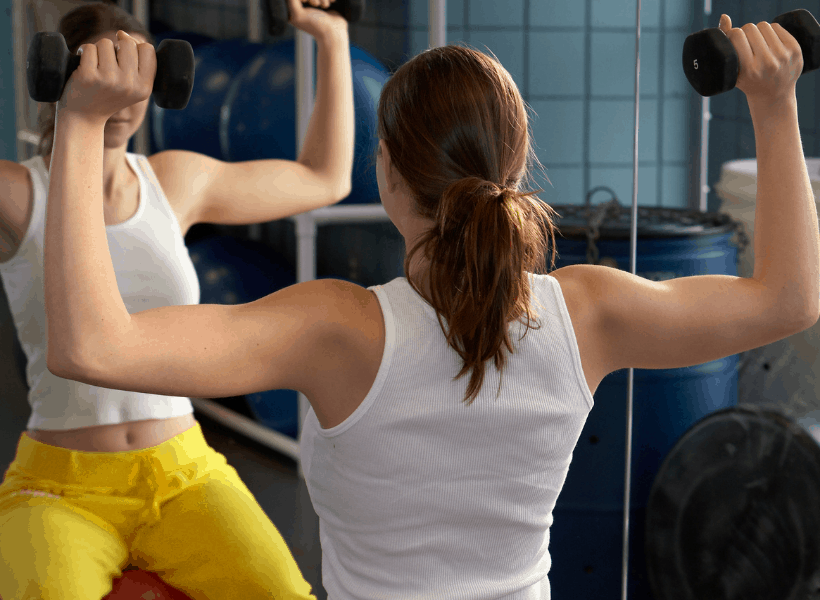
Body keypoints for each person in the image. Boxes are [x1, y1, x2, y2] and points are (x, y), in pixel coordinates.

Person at [24, 8, 820, 599]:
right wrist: (774, 103)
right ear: (516, 164)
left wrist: (85, 121)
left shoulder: (336, 329)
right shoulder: (591, 312)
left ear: (387, 173)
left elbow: (91, 346)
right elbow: (788, 298)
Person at [0, 0, 353, 598]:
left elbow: (326, 177)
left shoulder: (174, 181)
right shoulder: (17, 192)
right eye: (106, 71)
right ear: (60, 75)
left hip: (183, 473)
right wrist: (81, 111)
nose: (123, 93)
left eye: (137, 73)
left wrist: (331, 38)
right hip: (59, 486)